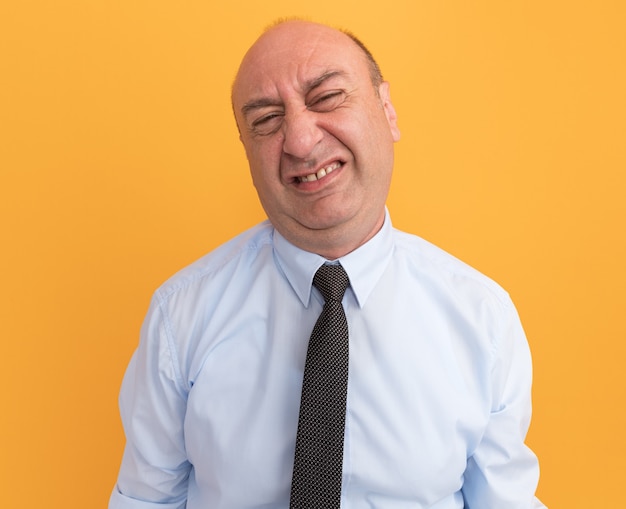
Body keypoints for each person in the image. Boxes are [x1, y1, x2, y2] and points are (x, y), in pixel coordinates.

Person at [109, 19, 546, 509]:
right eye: (267, 121)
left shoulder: (482, 317)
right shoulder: (180, 318)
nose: (299, 140)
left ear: (387, 111)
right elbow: (146, 501)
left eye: (326, 97)